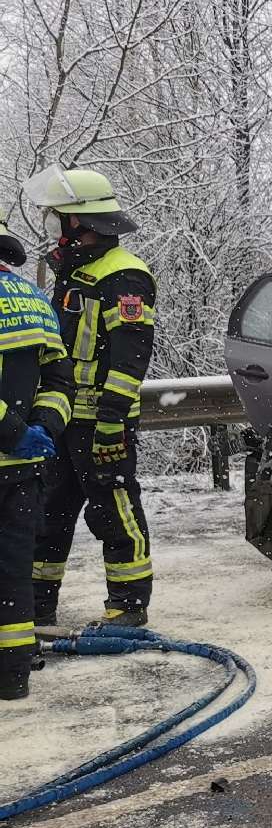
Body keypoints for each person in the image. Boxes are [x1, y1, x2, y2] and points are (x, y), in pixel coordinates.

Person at [21, 167, 157, 630]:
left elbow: (130, 358)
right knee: (47, 514)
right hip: (63, 420)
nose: (52, 225)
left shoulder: (125, 276)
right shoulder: (75, 270)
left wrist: (112, 420)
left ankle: (128, 605)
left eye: (57, 216)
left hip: (102, 423)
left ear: (81, 221)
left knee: (114, 509)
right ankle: (36, 604)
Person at [0, 211, 73, 697]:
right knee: (13, 575)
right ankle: (12, 677)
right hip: (23, 471)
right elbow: (59, 380)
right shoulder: (32, 300)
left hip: (12, 450)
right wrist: (41, 427)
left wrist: (7, 430)